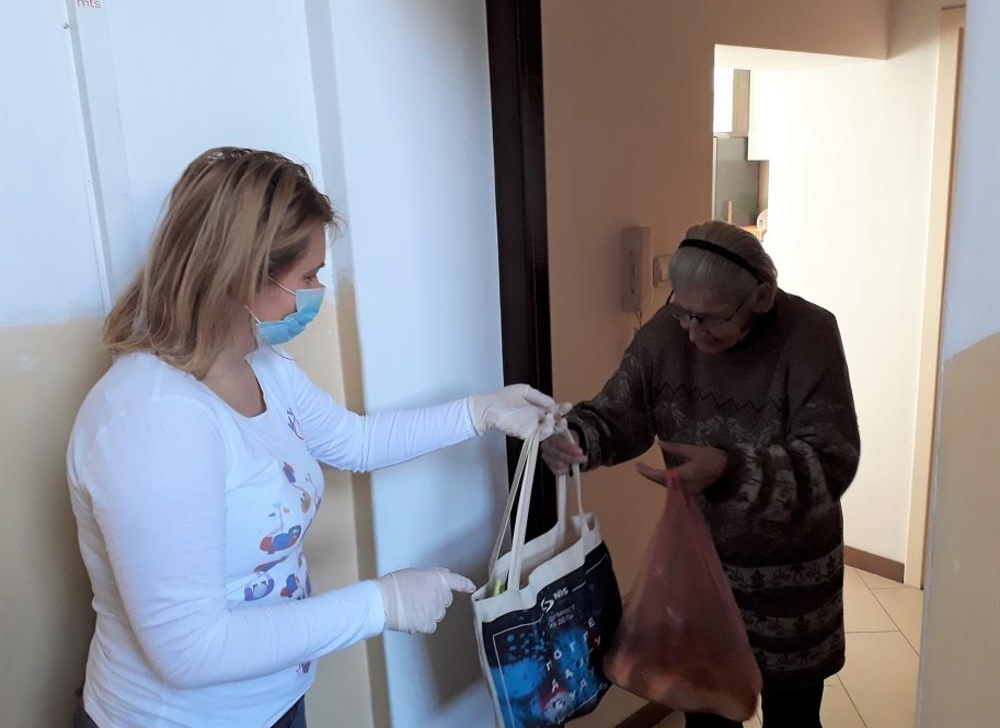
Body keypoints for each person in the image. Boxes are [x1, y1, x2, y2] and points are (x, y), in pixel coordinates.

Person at [67, 147, 564, 728]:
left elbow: (356, 442)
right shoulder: (153, 422)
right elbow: (190, 650)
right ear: (241, 276)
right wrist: (380, 603)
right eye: (307, 276)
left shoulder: (260, 364)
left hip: (276, 701)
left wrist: (480, 412)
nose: (316, 292)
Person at [542, 220, 860, 728]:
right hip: (701, 568)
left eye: (710, 318)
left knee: (794, 718)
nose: (691, 332)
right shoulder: (667, 333)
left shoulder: (809, 334)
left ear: (761, 297)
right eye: (683, 311)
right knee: (707, 716)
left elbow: (831, 461)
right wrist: (576, 438)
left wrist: (729, 469)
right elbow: (618, 415)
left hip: (792, 584)